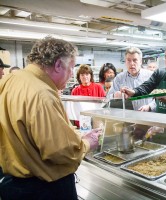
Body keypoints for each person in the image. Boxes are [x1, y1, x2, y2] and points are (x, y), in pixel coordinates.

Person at [0, 36, 101, 199]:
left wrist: (74, 136)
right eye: (71, 68)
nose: (71, 75)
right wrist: (87, 143)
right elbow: (60, 152)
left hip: (14, 186)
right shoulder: (42, 94)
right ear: (58, 65)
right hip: (44, 190)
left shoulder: (11, 79)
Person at [107, 47, 155, 111]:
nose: (132, 63)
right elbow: (108, 98)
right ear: (125, 61)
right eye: (128, 60)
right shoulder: (119, 78)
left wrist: (150, 106)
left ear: (140, 61)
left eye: (135, 60)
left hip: (147, 115)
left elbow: (160, 97)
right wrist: (114, 95)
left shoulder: (151, 76)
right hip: (127, 116)